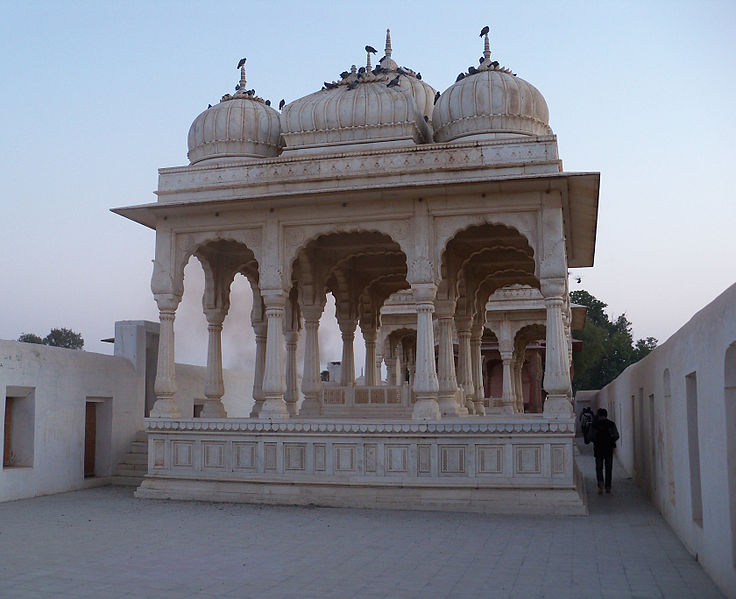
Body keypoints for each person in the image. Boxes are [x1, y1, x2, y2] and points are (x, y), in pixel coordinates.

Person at [589, 408, 619, 494]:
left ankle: (600, 483)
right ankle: (608, 486)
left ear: (598, 415)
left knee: (599, 467)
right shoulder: (611, 424)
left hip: (598, 448)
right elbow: (616, 435)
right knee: (608, 468)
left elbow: (590, 436)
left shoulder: (594, 425)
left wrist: (597, 440)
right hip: (608, 449)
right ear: (606, 415)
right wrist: (610, 440)